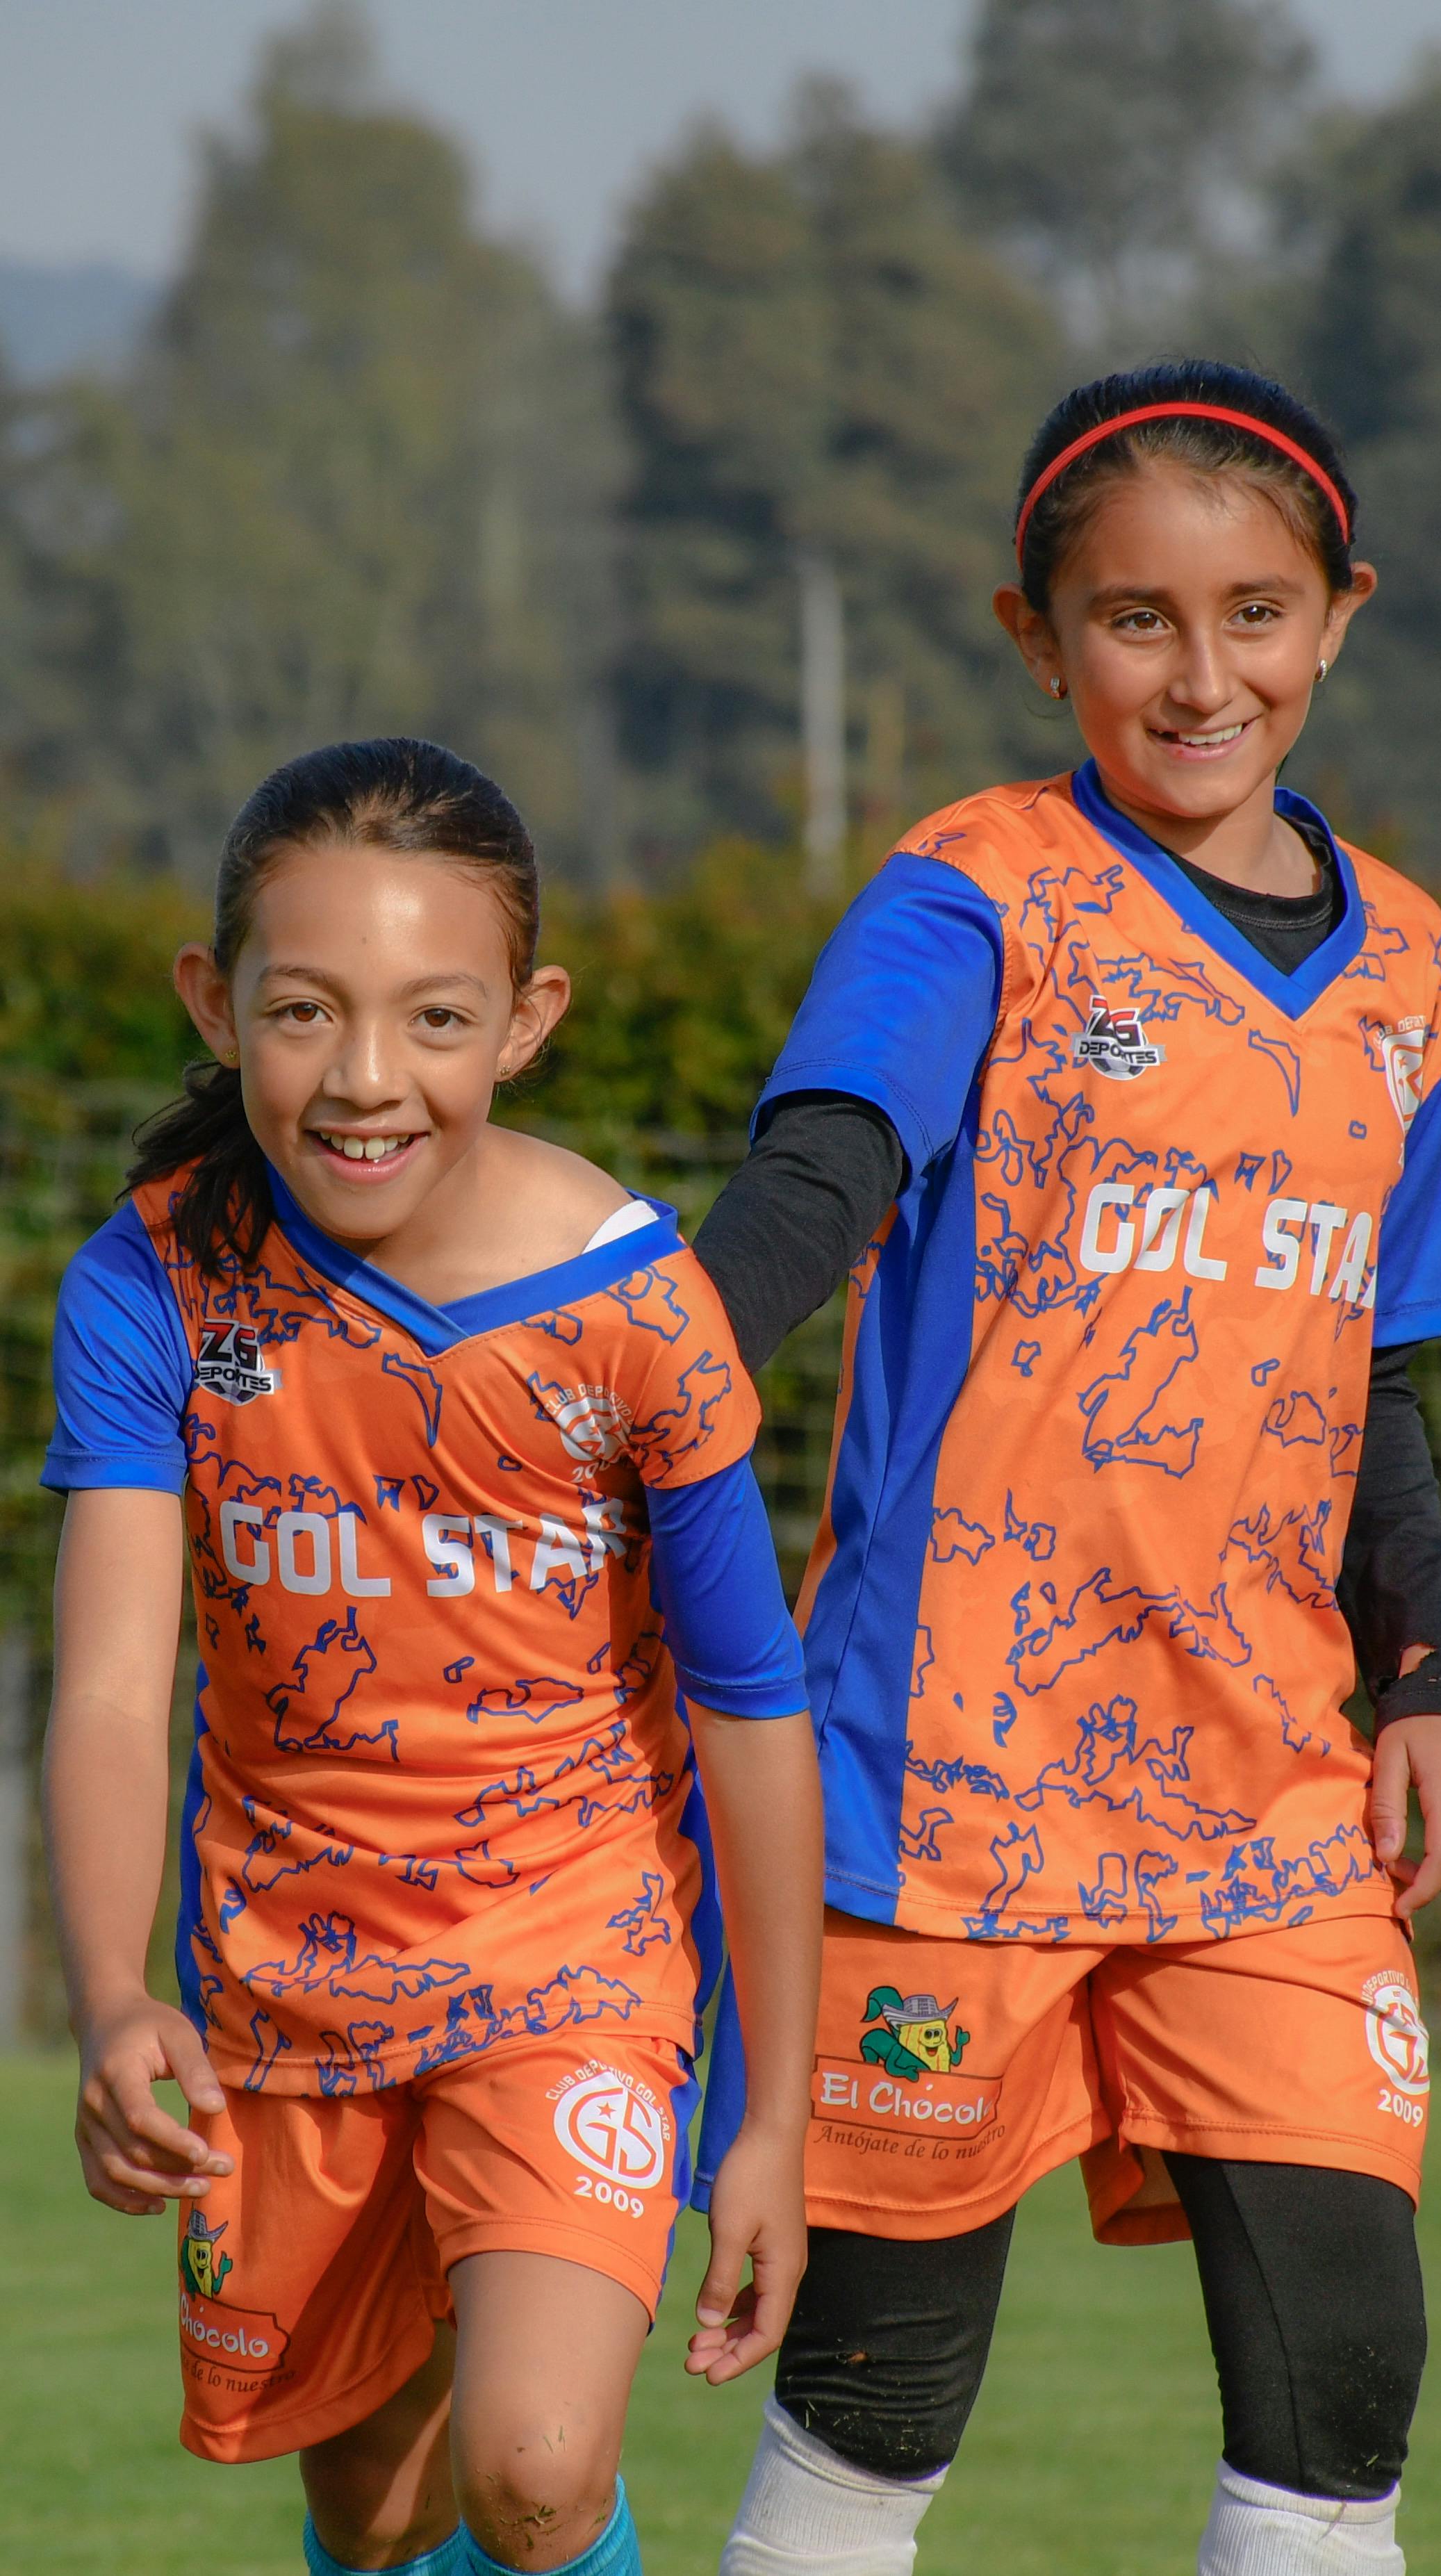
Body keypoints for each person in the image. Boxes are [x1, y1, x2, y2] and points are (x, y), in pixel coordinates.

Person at [691, 361, 1441, 2576]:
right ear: (1038, 638)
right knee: (879, 2414)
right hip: (946, 1788)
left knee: (1344, 2404)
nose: (1200, 673)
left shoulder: (1416, 970)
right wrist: (641, 1385)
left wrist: (1426, 1662)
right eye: (1134, 619)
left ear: (1339, 616)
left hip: (1275, 1800)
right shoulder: (974, 893)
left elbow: (1377, 1381)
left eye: (1254, 612)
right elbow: (817, 1184)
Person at [42, 738, 822, 2576]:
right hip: (289, 1986)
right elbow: (106, 1678)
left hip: (578, 1957)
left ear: (528, 1020)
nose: (366, 1078)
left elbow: (755, 1711)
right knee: (374, 2511)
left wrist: (774, 2118)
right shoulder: (147, 1287)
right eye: (304, 1011)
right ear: (213, 1007)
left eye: (435, 1015)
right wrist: (110, 1988)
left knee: (535, 2467)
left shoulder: (640, 1311)